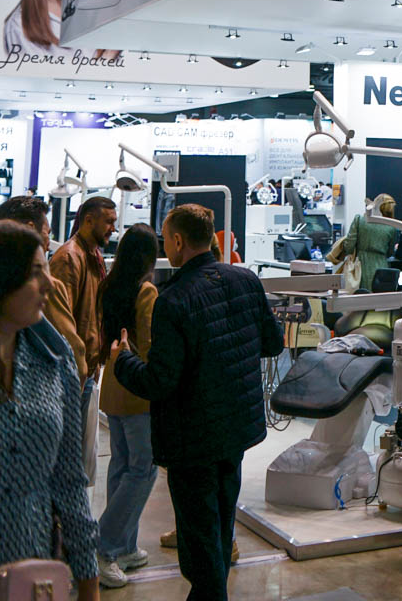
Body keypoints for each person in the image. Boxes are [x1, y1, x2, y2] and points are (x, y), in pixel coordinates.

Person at [112, 204, 283, 601]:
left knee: (200, 542)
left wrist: (123, 360)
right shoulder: (246, 280)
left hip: (193, 437)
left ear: (177, 241)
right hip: (235, 428)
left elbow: (160, 381)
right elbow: (273, 342)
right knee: (220, 525)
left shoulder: (173, 300)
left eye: (166, 240)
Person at [0, 222, 99, 599]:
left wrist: (89, 581)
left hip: (31, 579)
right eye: (34, 272)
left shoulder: (54, 361)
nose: (49, 285)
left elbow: (69, 481)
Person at [96, 223, 159, 589]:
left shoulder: (109, 285)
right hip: (138, 389)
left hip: (114, 384)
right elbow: (148, 344)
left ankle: (126, 547)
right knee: (143, 469)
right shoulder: (145, 290)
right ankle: (105, 546)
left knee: (121, 465)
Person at [0, 194, 87, 382]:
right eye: (47, 232)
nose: (48, 242)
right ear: (30, 229)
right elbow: (74, 349)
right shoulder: (44, 286)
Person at [50, 195, 118, 421]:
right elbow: (61, 322)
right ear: (88, 220)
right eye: (108, 222)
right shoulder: (69, 258)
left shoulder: (92, 255)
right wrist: (78, 365)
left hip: (86, 367)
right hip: (73, 372)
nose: (113, 229)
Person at [341, 194, 396, 290]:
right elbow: (390, 252)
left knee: (362, 296)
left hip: (361, 267)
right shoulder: (392, 227)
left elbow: (349, 246)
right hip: (382, 269)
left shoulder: (359, 220)